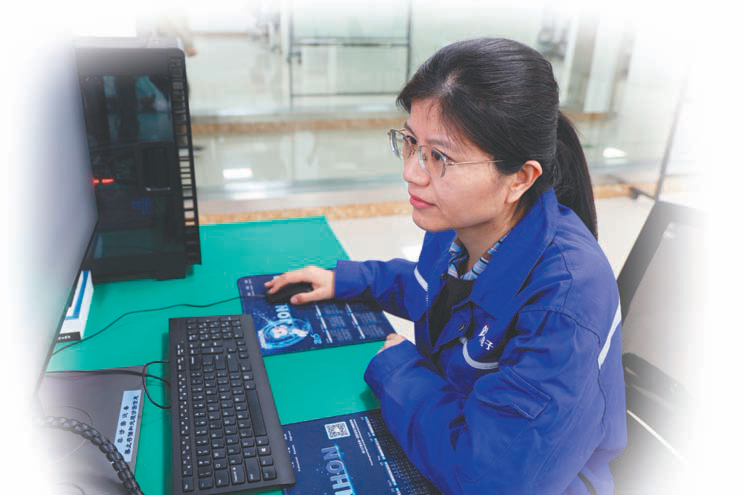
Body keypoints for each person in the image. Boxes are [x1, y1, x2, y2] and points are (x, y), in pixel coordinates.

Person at [266, 38, 626, 495]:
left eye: (440, 156)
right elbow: (440, 293)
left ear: (519, 178)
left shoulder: (566, 301)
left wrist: (398, 370)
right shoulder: (456, 223)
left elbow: (490, 481)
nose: (411, 172)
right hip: (448, 432)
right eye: (410, 142)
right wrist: (351, 279)